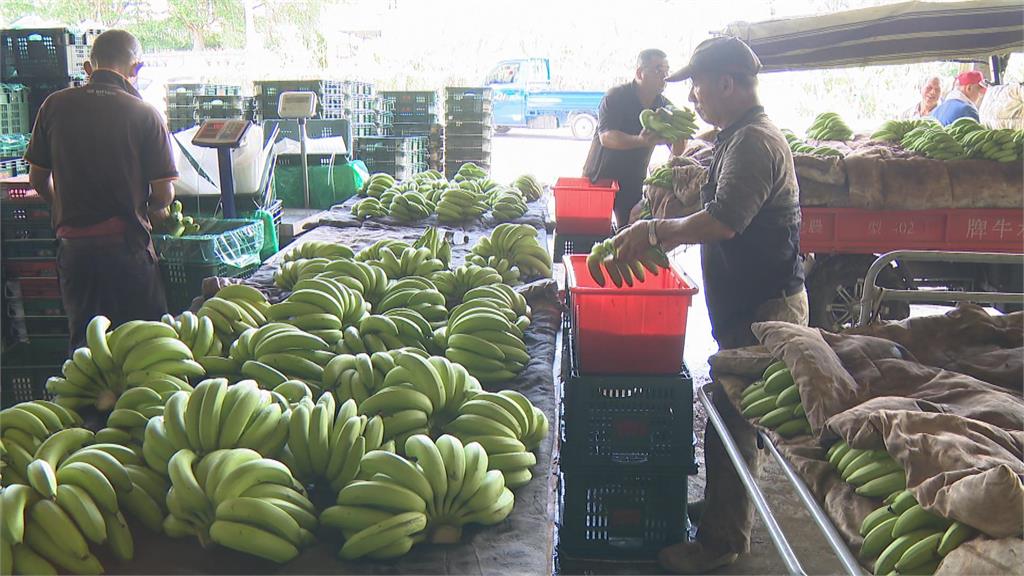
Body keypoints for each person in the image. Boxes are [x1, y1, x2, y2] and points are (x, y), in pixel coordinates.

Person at [611, 36, 808, 574]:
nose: (692, 97)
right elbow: (710, 194)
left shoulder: (754, 142)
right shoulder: (734, 137)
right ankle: (727, 511)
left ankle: (722, 540)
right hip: (750, 306)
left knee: (732, 420)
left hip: (767, 312)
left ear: (726, 82)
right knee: (732, 416)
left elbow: (724, 220)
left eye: (697, 85)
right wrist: (666, 195)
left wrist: (658, 230)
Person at [24, 29, 178, 352]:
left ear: (87, 67)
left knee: (86, 349)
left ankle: (89, 401)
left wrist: (65, 208)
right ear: (136, 69)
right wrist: (148, 210)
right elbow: (164, 195)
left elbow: (37, 180)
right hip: (128, 253)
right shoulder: (145, 114)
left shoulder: (53, 106)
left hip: (75, 252)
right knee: (147, 346)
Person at [583, 49, 688, 228]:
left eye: (666, 70)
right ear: (640, 73)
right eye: (658, 70)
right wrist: (640, 141)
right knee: (593, 231)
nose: (664, 76)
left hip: (633, 180)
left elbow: (678, 149)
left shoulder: (665, 107)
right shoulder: (616, 96)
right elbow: (606, 137)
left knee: (627, 233)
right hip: (600, 178)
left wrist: (679, 136)